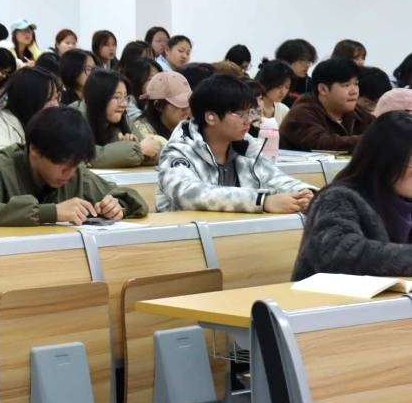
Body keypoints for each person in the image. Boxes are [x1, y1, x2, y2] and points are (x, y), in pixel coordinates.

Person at [156, 74, 315, 213]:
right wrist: (262, 201)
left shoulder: (245, 148)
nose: (248, 121)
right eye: (240, 114)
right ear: (211, 117)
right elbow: (189, 194)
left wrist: (307, 193)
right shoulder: (177, 152)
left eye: (250, 113)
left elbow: (275, 178)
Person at [0, 106, 148, 225]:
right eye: (62, 164)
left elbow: (131, 198)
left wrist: (117, 207)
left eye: (75, 164)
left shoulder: (75, 173)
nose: (68, 173)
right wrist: (51, 212)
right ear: (34, 149)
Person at [293, 111, 412, 279]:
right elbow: (337, 254)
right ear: (385, 161)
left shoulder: (404, 199)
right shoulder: (338, 198)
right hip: (328, 295)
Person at [0, 66, 60, 165]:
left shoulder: (38, 124)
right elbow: (3, 166)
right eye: (48, 99)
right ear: (28, 100)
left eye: (56, 98)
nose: (56, 105)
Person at [280, 57, 372, 152]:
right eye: (346, 85)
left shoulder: (357, 112)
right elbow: (323, 144)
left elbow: (378, 129)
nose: (354, 91)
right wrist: (370, 140)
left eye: (356, 84)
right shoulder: (302, 113)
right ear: (323, 89)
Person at [75, 69, 161, 168]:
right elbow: (86, 156)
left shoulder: (123, 119)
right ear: (98, 97)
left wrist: (132, 147)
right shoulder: (74, 118)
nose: (123, 104)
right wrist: (138, 150)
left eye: (125, 97)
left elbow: (156, 152)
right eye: (116, 97)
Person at [130, 70, 192, 146]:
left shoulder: (188, 128)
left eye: (188, 103)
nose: (186, 109)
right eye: (179, 104)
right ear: (158, 105)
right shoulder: (144, 135)